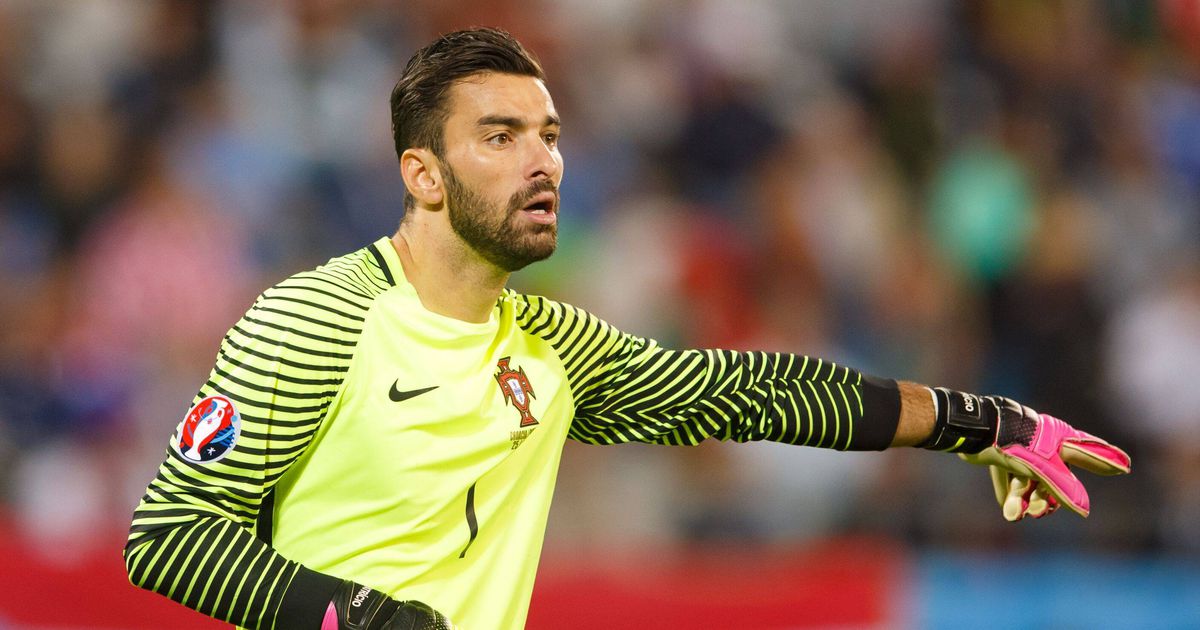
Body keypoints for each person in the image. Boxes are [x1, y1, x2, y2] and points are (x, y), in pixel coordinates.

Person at [124, 28, 1131, 630]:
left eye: (551, 137)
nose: (543, 163)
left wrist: (979, 421)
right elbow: (168, 536)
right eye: (501, 136)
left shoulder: (555, 347)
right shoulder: (318, 317)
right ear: (422, 175)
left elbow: (753, 393)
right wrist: (361, 619)